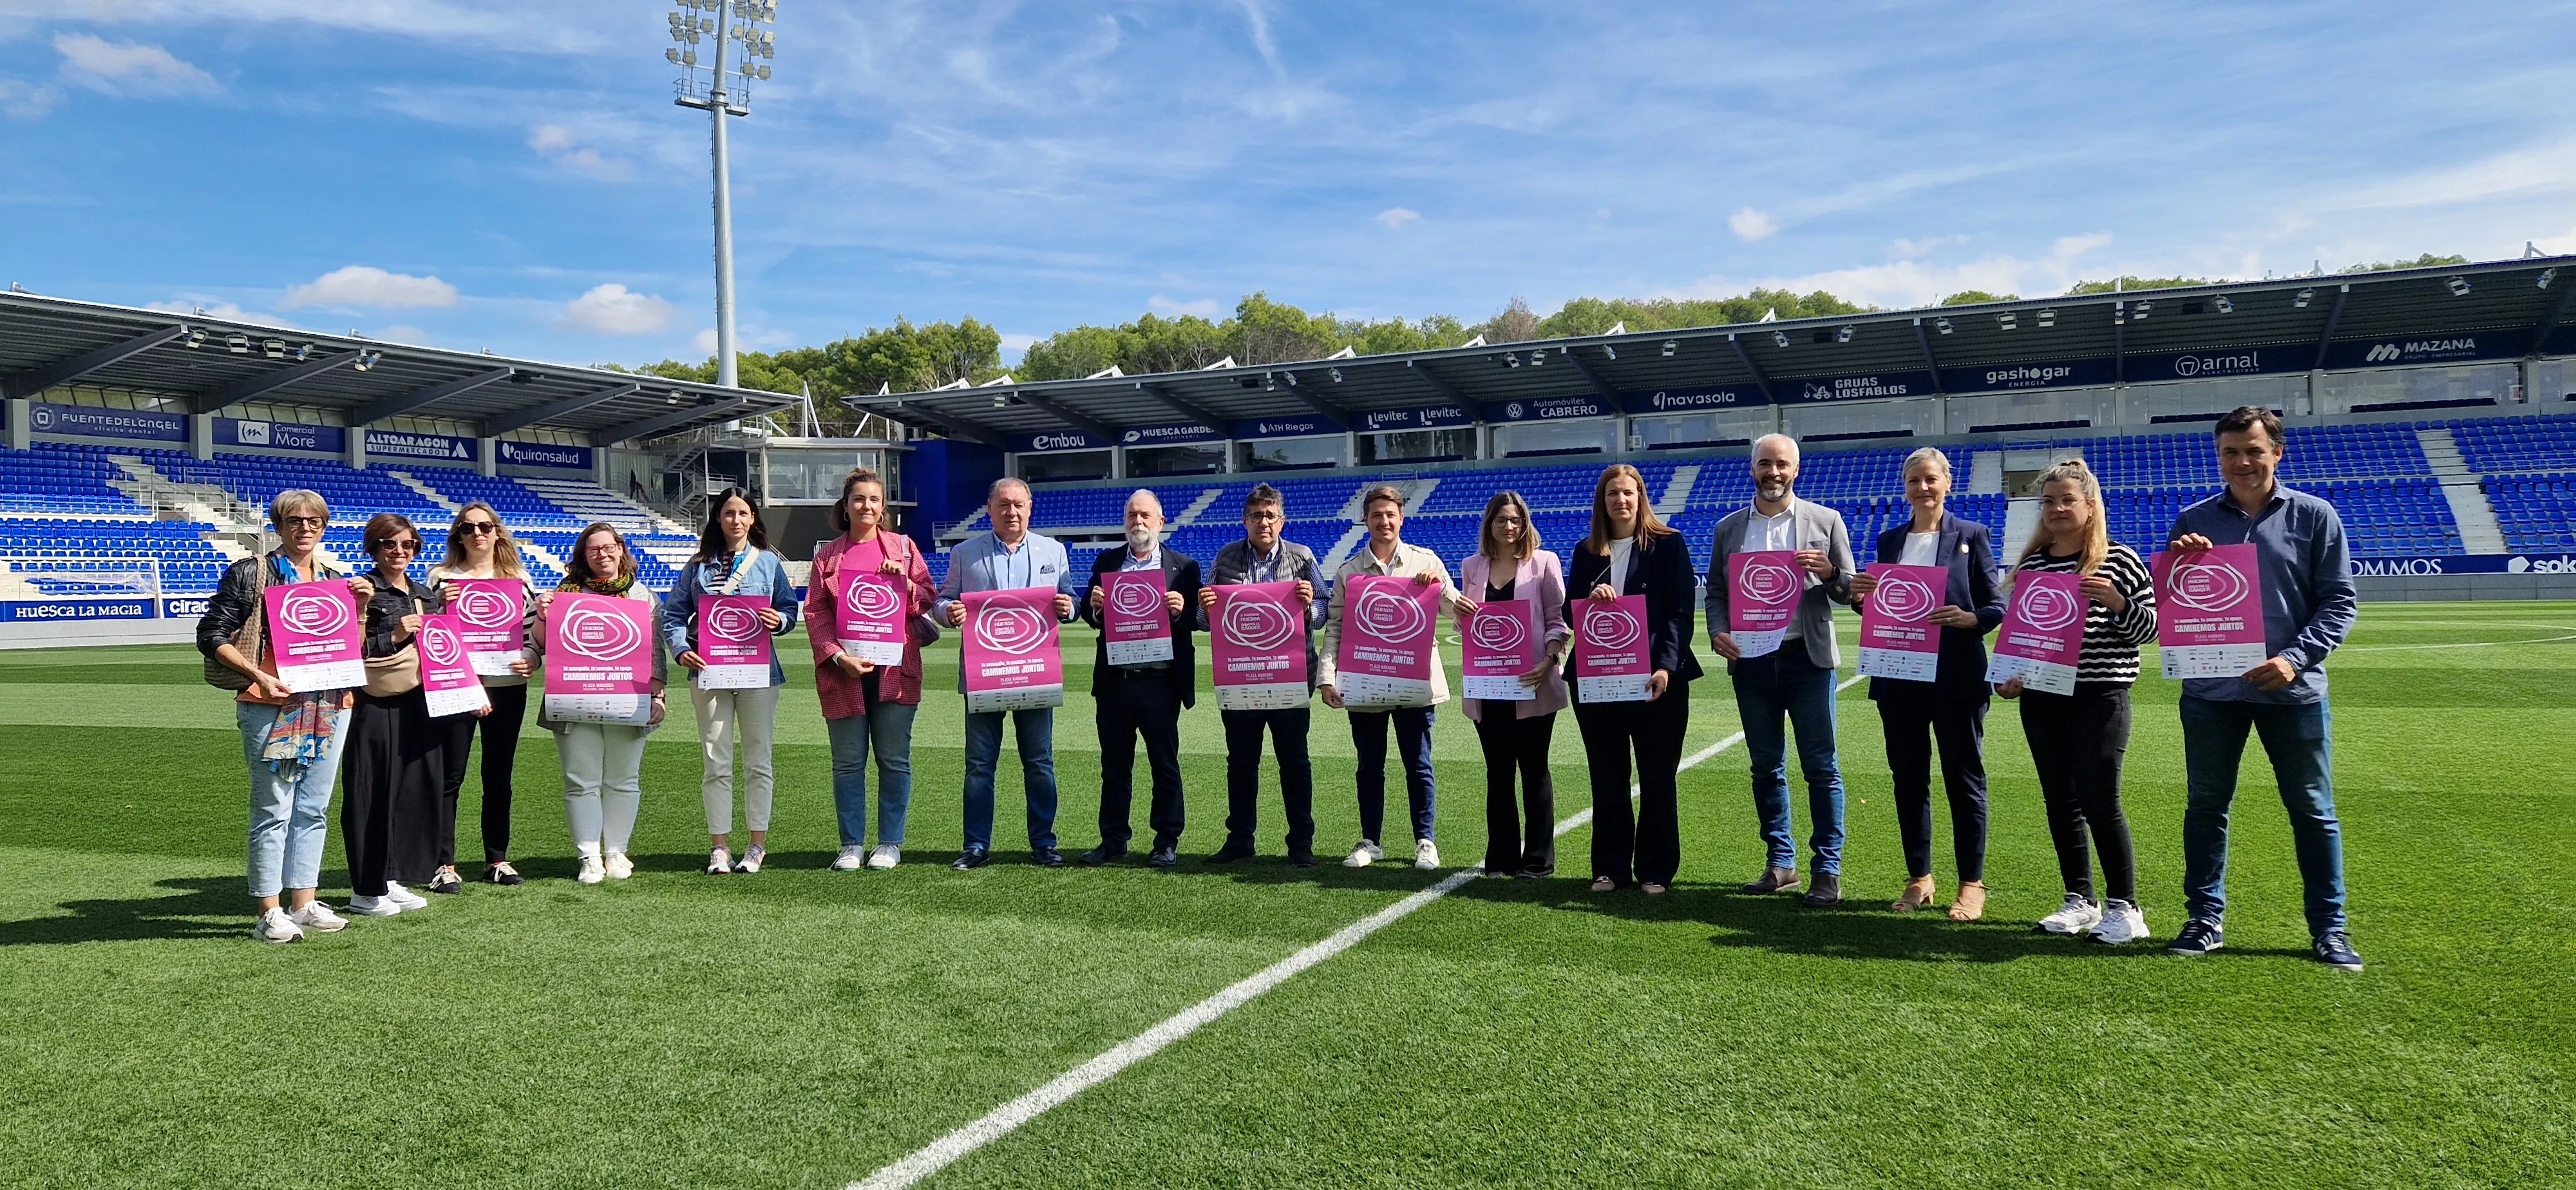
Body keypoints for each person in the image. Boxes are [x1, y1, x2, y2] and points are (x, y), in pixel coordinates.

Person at [2164, 405, 2364, 971]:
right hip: (2212, 694)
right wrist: (2181, 569)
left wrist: (2294, 660)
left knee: (2312, 810)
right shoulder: (2192, 519)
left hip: (2292, 692)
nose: (2242, 462)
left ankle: (2330, 929)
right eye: (2230, 452)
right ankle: (2204, 919)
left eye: (2253, 450)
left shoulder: (2315, 515)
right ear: (2218, 456)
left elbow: (2340, 601)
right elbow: (2178, 606)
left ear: (2277, 452)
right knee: (2206, 806)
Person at [1994, 460, 2159, 944]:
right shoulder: (2035, 565)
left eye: (2068, 500)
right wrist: (2008, 679)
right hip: (2043, 699)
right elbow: (2020, 638)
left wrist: (2117, 602)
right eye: (2049, 501)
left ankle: (2126, 908)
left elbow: (2151, 630)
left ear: (2090, 505)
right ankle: (2080, 900)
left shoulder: (2121, 560)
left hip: (2100, 695)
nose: (2058, 509)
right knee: (2060, 801)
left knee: (2100, 799)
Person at [197, 489, 372, 942]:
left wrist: (362, 608)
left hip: (329, 703)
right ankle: (268, 910)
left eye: (314, 520)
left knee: (313, 808)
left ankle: (304, 902)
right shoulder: (251, 573)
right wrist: (258, 674)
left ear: (324, 526)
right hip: (267, 701)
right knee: (274, 807)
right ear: (278, 526)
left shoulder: (334, 579)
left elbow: (352, 649)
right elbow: (211, 633)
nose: (305, 527)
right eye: (294, 520)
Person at [1848, 448, 2003, 920]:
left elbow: (1996, 607)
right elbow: (1882, 609)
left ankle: (1971, 884)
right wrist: (1861, 600)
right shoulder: (1889, 541)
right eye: (1914, 480)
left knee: (1964, 779)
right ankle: (1920, 877)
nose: (1923, 488)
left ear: (1947, 483)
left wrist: (1969, 618)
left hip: (1957, 677)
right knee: (1908, 780)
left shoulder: (1972, 536)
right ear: (1905, 486)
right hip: (1899, 678)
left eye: (1931, 479)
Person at [1705, 433, 1858, 907]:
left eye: (1782, 465)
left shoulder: (1825, 520)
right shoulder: (1729, 528)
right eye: (1765, 464)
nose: (1774, 472)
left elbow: (1852, 592)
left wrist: (1831, 573)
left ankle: (1826, 868)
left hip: (1806, 660)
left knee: (1821, 767)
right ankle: (1781, 863)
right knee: (1765, 767)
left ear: (1796, 469)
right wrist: (1717, 631)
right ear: (1752, 469)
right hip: (1751, 662)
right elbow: (1715, 593)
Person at [1564, 465, 1703, 893]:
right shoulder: (1586, 551)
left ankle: (1656, 870)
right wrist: (1589, 600)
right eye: (1612, 494)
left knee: (1658, 776)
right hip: (1597, 679)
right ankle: (1610, 868)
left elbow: (1681, 613)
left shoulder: (1668, 544)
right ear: (1601, 501)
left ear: (1640, 497)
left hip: (1656, 680)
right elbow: (1571, 613)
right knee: (1607, 776)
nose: (1620, 501)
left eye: (1628, 493)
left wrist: (1665, 664)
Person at [936, 477, 1080, 869]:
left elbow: (1071, 598)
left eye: (1018, 505)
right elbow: (942, 600)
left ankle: (1044, 844)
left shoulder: (1054, 550)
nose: (1011, 512)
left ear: (1030, 507)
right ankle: (977, 845)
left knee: (1040, 761)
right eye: (1004, 505)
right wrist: (948, 613)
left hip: (1036, 672)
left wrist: (1071, 608)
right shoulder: (966, 553)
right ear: (990, 508)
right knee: (980, 764)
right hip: (984, 674)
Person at [661, 487, 799, 876]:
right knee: (715, 760)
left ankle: (757, 845)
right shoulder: (697, 565)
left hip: (759, 672)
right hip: (708, 671)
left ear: (753, 518)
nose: (735, 520)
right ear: (718, 519)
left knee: (759, 760)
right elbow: (673, 615)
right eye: (728, 513)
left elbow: (788, 609)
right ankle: (719, 847)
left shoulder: (769, 563)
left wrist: (781, 621)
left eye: (742, 513)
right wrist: (679, 650)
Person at [1318, 484, 1455, 871]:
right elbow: (1336, 629)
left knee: (1419, 764)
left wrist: (1440, 585)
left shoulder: (1425, 561)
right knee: (1369, 766)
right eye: (1377, 515)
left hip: (1414, 684)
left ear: (1401, 519)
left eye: (1390, 514)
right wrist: (1327, 678)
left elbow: (1456, 613)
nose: (1384, 521)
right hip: (1365, 683)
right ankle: (1370, 842)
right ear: (1366, 520)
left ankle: (1425, 841)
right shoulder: (1349, 572)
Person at [806, 467, 935, 871]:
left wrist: (909, 585)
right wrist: (837, 656)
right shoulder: (827, 555)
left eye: (874, 500)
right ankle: (851, 845)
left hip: (896, 669)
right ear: (845, 507)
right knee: (847, 762)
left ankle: (890, 843)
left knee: (894, 760)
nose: (866, 506)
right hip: (844, 671)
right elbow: (815, 611)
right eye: (858, 499)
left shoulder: (903, 547)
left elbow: (928, 596)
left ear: (883, 508)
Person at [1195, 482, 1329, 867]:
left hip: (1290, 677)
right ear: (1245, 520)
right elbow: (1205, 622)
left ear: (1281, 521)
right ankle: (1240, 839)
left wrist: (1308, 607)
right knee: (1241, 762)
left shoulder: (1302, 558)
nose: (1264, 522)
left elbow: (1322, 609)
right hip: (1241, 680)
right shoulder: (1224, 557)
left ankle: (1301, 843)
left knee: (1295, 763)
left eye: (1270, 515)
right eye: (1256, 516)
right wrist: (1206, 605)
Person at [342, 513, 462, 917]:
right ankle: (365, 888)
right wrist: (394, 635)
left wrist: (450, 614)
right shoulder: (363, 589)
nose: (399, 552)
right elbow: (349, 651)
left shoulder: (425, 594)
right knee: (371, 791)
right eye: (389, 544)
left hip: (420, 701)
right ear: (373, 547)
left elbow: (445, 652)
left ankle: (392, 878)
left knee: (410, 791)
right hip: (374, 702)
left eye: (407, 545)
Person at [1077, 489, 1204, 867]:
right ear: (1125, 521)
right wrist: (1096, 609)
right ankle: (1113, 840)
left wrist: (1182, 611)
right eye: (1132, 515)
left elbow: (1197, 619)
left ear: (1161, 522)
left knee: (1164, 763)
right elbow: (1088, 610)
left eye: (1146, 515)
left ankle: (1166, 841)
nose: (1139, 522)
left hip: (1161, 681)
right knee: (1114, 764)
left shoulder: (1184, 567)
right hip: (1116, 680)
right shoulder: (1107, 561)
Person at [538, 523, 668, 884]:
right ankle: (588, 856)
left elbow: (655, 651)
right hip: (573, 699)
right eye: (593, 549)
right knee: (580, 781)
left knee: (624, 779)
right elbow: (544, 643)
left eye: (608, 547)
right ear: (583, 555)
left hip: (628, 698)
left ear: (620, 549)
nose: (602, 554)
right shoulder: (562, 595)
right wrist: (542, 613)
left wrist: (657, 695)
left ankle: (616, 851)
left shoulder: (643, 594)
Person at [1452, 490, 1569, 880]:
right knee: (1498, 773)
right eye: (1501, 520)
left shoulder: (1545, 563)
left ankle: (1538, 861)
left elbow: (1558, 622)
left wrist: (1549, 661)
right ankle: (1500, 859)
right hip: (1488, 690)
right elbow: (1466, 627)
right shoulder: (1472, 566)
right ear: (1489, 524)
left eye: (1516, 520)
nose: (1509, 527)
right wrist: (1458, 612)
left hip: (1533, 685)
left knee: (1534, 771)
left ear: (1525, 524)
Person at [427, 502, 539, 889]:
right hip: (456, 687)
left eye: (485, 527)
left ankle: (498, 859)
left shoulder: (519, 580)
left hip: (507, 687)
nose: (478, 534)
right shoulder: (440, 579)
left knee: (498, 776)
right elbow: (428, 636)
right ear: (458, 534)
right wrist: (440, 609)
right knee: (449, 776)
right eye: (469, 527)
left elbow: (529, 639)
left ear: (497, 533)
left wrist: (531, 658)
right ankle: (444, 865)